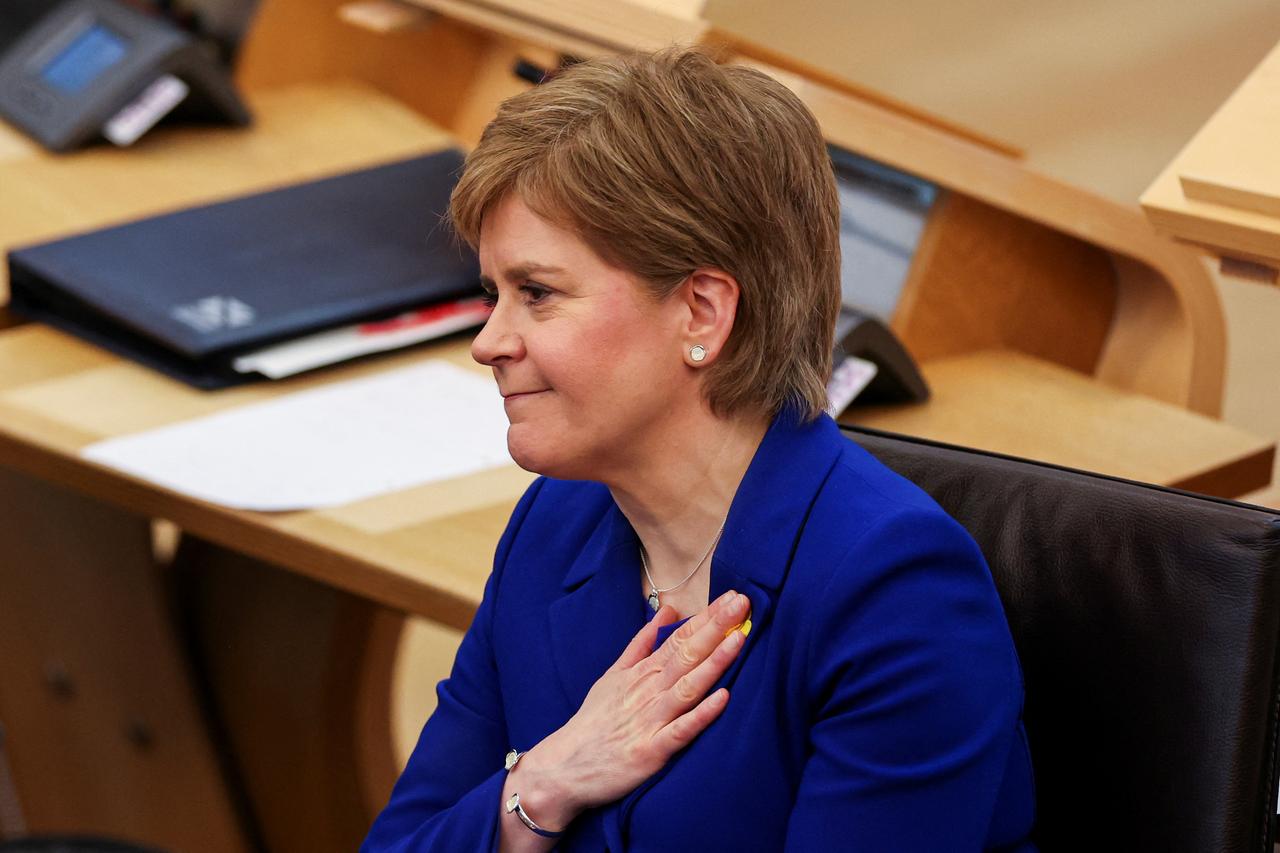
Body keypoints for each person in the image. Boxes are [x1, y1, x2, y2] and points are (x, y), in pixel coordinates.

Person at [363, 47, 1036, 852]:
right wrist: (541, 786)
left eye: (537, 294)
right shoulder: (558, 523)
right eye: (493, 294)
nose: (489, 341)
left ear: (702, 314)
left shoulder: (894, 590)